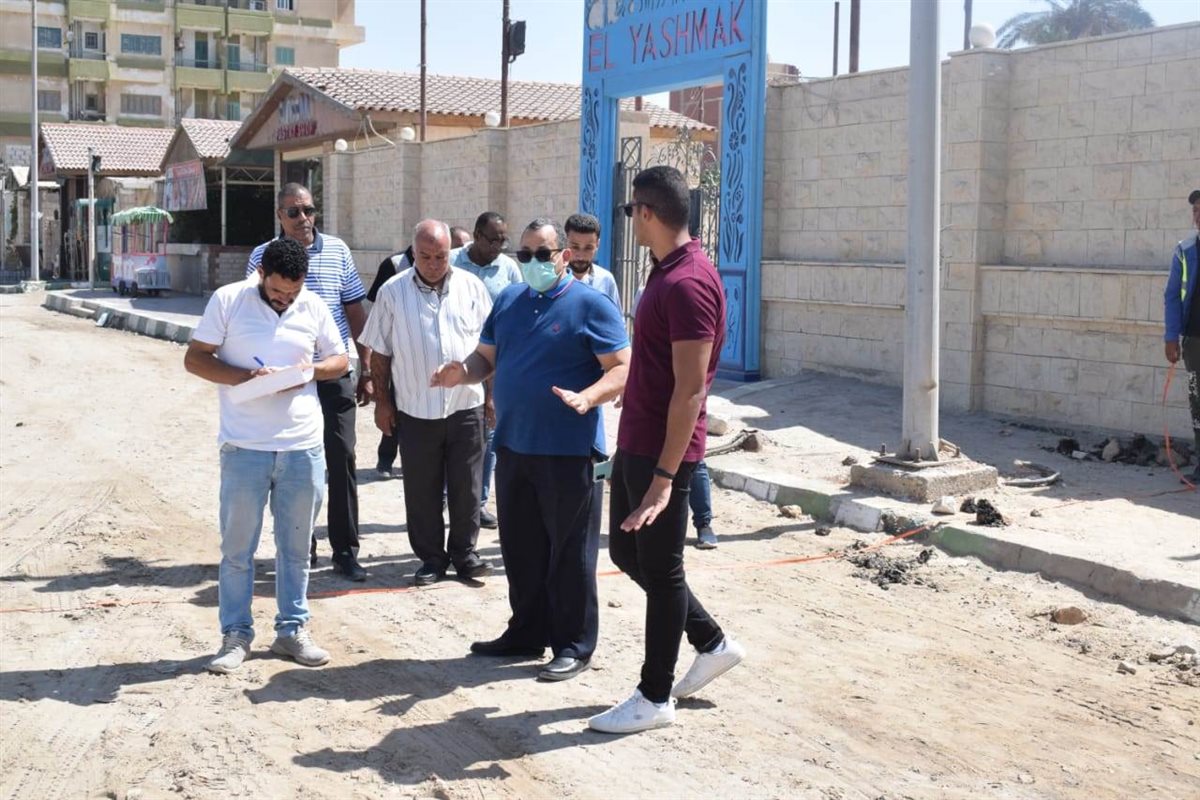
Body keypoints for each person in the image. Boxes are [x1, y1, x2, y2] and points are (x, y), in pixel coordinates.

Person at [433, 218, 630, 682]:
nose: (534, 262)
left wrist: (589, 397)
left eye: (543, 254)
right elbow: (486, 358)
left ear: (564, 256)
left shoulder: (591, 304)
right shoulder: (509, 300)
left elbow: (623, 368)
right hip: (514, 445)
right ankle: (526, 632)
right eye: (525, 255)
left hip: (569, 451)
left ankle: (573, 644)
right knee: (521, 548)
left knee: (570, 553)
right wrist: (461, 372)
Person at [589, 166, 745, 734]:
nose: (630, 220)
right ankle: (713, 641)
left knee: (663, 569)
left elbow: (691, 390)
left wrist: (663, 477)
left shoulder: (689, 282)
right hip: (637, 440)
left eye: (631, 211)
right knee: (628, 555)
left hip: (665, 451)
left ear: (647, 212)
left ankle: (654, 696)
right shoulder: (666, 271)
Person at [186, 238, 347, 674]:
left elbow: (340, 359)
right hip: (244, 447)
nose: (284, 299)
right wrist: (247, 377)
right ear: (261, 274)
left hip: (302, 447)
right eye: (277, 291)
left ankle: (292, 630)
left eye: (292, 292)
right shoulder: (229, 300)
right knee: (237, 550)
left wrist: (308, 371)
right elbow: (195, 359)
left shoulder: (312, 304)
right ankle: (236, 635)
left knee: (295, 548)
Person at [246, 184, 370, 582]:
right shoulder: (262, 257)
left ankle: (346, 551)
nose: (304, 219)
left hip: (333, 371)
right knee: (296, 463)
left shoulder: (338, 251)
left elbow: (354, 309)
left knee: (342, 457)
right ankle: (303, 546)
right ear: (279, 216)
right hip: (286, 380)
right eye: (294, 212)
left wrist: (366, 367)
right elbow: (252, 313)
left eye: (309, 210)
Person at [362, 220, 494, 585]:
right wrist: (383, 403)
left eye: (440, 256)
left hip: (466, 405)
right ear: (413, 252)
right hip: (416, 409)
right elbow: (380, 353)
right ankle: (432, 558)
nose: (433, 264)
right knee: (422, 490)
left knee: (468, 486)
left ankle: (465, 554)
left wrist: (492, 399)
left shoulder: (472, 287)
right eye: (425, 256)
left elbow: (490, 349)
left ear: (451, 252)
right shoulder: (392, 292)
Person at [450, 211, 524, 529]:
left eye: (503, 240)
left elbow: (519, 310)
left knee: (489, 434)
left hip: (496, 364)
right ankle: (450, 496)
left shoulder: (508, 269)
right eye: (493, 240)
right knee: (454, 432)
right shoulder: (451, 262)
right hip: (458, 362)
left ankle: (478, 502)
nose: (498, 246)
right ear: (477, 235)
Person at [632, 285, 719, 550]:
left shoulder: (689, 290)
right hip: (654, 401)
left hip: (683, 392)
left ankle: (704, 523)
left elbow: (696, 369)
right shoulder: (645, 293)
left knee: (694, 461)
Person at [367, 245, 414, 480]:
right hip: (396, 351)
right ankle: (386, 458)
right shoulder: (395, 265)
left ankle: (413, 461)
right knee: (393, 406)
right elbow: (376, 305)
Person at [1164, 188, 1200, 482]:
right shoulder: (1185, 250)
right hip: (1194, 341)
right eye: (1196, 210)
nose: (1198, 215)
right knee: (1197, 401)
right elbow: (1173, 295)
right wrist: (1171, 336)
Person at [564, 213, 621, 308]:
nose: (581, 256)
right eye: (575, 247)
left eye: (588, 248)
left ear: (597, 244)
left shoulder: (606, 280)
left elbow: (615, 316)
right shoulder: (553, 281)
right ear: (565, 243)